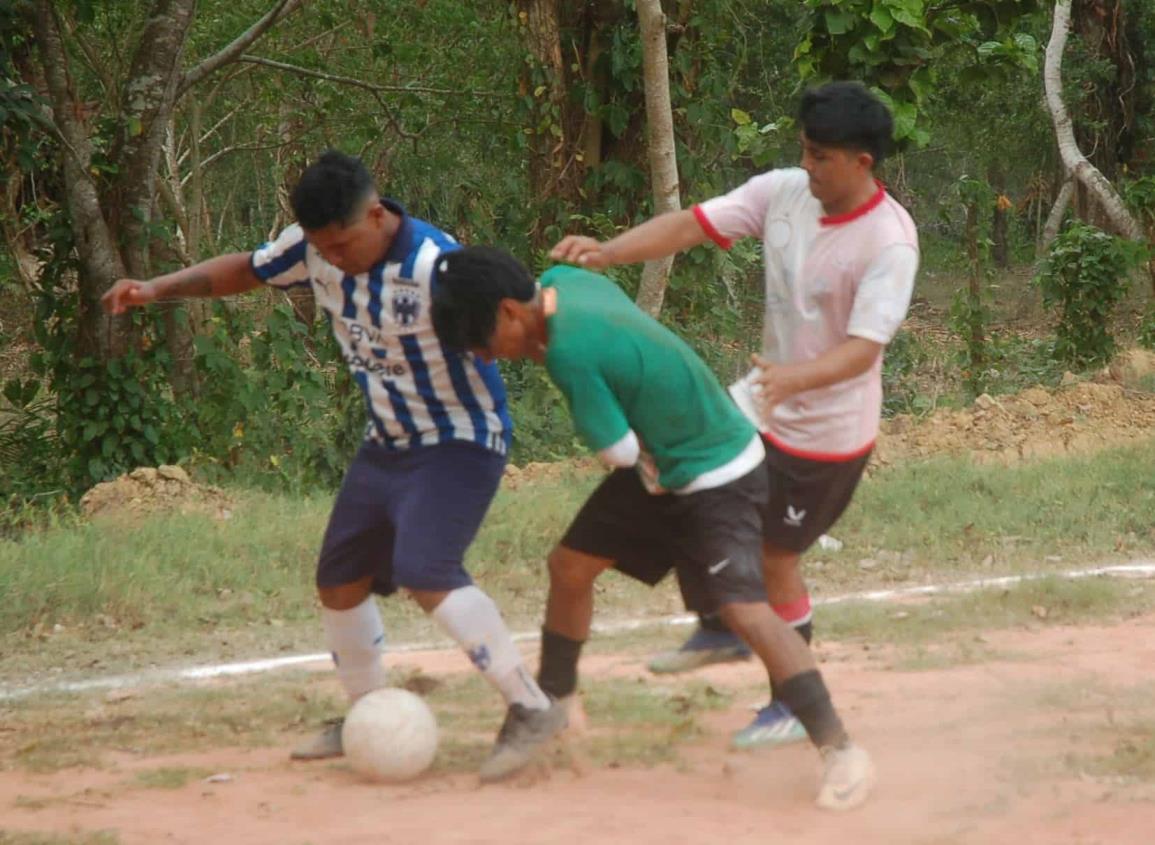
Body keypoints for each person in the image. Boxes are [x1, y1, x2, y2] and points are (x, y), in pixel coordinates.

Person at [101, 150, 566, 782]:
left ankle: (530, 707)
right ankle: (367, 713)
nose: (335, 258)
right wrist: (157, 288)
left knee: (426, 570)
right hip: (386, 443)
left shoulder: (439, 266)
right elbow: (247, 269)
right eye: (324, 247)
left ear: (376, 215)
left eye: (343, 243)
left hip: (460, 439)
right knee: (339, 580)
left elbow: (521, 319)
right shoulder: (312, 249)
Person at [431, 245, 876, 811]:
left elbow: (617, 450)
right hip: (663, 461)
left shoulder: (568, 352)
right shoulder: (564, 282)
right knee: (570, 566)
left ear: (509, 313)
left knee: (744, 609)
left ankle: (841, 751)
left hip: (717, 470)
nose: (490, 358)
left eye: (483, 343)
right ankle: (556, 703)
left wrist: (617, 426)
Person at [549, 81, 919, 751]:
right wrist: (607, 251)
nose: (806, 166)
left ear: (862, 162)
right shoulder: (782, 192)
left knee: (775, 556)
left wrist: (795, 378)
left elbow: (864, 350)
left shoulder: (888, 243)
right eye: (803, 151)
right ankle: (721, 625)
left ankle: (784, 702)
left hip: (827, 435)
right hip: (755, 406)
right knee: (694, 484)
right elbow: (692, 224)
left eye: (821, 157)